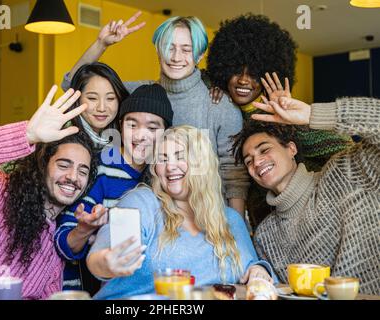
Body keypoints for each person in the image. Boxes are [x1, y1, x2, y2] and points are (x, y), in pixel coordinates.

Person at [61, 12, 249, 215]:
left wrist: (235, 226)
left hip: (207, 218)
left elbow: (234, 175)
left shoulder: (220, 105)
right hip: (155, 216)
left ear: (200, 55)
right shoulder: (140, 95)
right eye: (169, 47)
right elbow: (73, 85)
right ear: (158, 50)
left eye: (187, 50)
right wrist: (101, 44)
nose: (176, 57)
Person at [0, 86, 106, 300]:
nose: (73, 176)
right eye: (64, 165)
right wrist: (27, 134)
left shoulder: (55, 246)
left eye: (83, 171)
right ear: (43, 165)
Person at [86, 125, 276, 300]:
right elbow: (100, 256)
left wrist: (259, 269)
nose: (170, 166)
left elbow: (255, 273)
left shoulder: (230, 219)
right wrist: (106, 262)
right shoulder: (142, 203)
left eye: (180, 156)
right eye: (162, 159)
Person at [206, 14, 352, 227]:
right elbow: (190, 77)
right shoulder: (219, 105)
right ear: (223, 69)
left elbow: (344, 148)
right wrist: (210, 82)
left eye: (254, 73)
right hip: (263, 230)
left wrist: (290, 122)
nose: (244, 79)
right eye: (235, 70)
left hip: (315, 217)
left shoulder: (281, 113)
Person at [231, 95, 380, 295]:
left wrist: (312, 114)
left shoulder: (344, 173)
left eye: (264, 150)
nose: (257, 163)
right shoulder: (265, 236)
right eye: (249, 161)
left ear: (291, 148)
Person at [55, 84, 173, 292]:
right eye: (132, 125)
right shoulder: (99, 168)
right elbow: (64, 242)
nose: (140, 136)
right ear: (120, 126)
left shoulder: (168, 175)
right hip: (91, 289)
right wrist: (84, 230)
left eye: (152, 128)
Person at [68, 62, 129, 151]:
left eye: (110, 98)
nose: (101, 108)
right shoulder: (66, 138)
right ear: (77, 99)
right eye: (92, 98)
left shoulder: (124, 134)